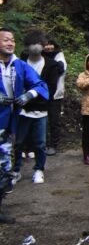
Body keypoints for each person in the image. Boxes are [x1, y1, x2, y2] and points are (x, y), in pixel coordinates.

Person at [0, 28, 47, 191]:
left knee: (9, 154)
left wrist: (29, 94)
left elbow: (40, 84)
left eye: (12, 40)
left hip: (11, 119)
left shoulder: (19, 65)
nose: (10, 43)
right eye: (6, 39)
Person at [14, 32, 63, 183]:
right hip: (22, 109)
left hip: (41, 110)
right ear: (26, 46)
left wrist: (31, 96)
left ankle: (39, 169)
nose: (35, 47)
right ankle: (15, 170)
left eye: (38, 44)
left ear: (43, 46)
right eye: (31, 44)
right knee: (19, 142)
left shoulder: (51, 65)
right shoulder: (20, 63)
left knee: (40, 143)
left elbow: (51, 88)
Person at [44, 35, 66, 153]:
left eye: (50, 44)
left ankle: (53, 144)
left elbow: (62, 69)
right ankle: (43, 143)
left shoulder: (59, 56)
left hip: (55, 94)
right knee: (43, 120)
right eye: (46, 44)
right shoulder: (39, 57)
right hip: (41, 94)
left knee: (54, 120)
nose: (48, 47)